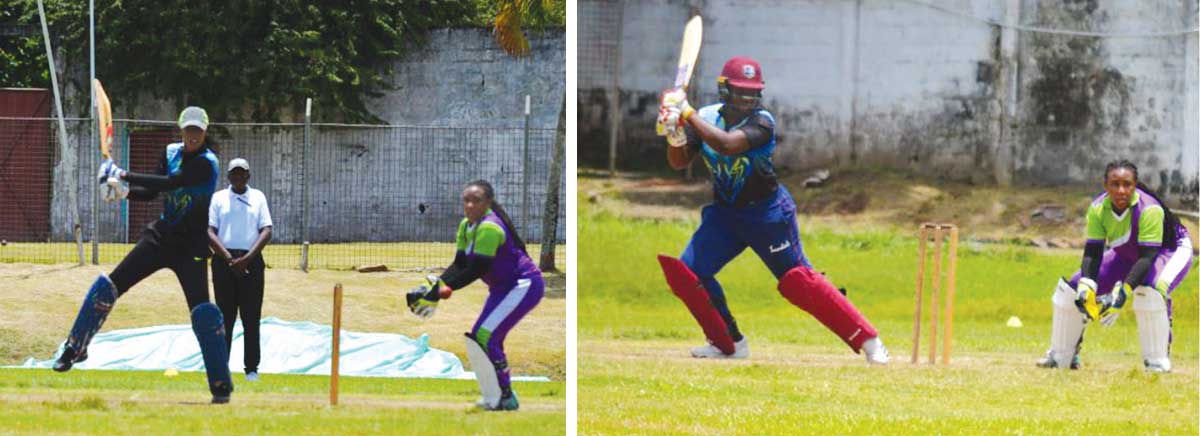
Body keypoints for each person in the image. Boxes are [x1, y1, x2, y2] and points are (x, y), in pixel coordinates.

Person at [654, 56, 888, 364]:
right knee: (688, 275)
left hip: (767, 215)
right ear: (724, 90)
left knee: (798, 281)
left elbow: (725, 145)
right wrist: (675, 132)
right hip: (725, 216)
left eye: (753, 92)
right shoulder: (708, 116)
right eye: (740, 91)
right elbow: (679, 161)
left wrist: (685, 112)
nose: (747, 99)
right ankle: (729, 344)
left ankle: (870, 341)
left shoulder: (762, 122)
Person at [54, 106, 234, 403]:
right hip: (161, 236)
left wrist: (122, 173)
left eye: (197, 131)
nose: (192, 136)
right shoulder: (171, 152)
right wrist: (124, 192)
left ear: (204, 132)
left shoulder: (207, 163)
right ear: (181, 129)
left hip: (192, 247)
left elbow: (171, 184)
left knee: (203, 312)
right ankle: (74, 348)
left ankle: (220, 385)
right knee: (109, 286)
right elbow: (153, 192)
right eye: (188, 130)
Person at [1037, 160, 1192, 372]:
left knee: (1149, 293)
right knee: (1070, 291)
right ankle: (1061, 356)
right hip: (1126, 253)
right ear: (1105, 186)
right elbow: (1093, 252)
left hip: (1168, 251)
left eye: (1127, 184)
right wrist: (1087, 284)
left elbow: (1147, 258)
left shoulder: (1150, 210)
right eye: (1115, 184)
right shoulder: (1098, 209)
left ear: (1135, 185)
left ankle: (1157, 363)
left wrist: (1123, 292)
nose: (1121, 190)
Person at [406, 180, 543, 411]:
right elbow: (460, 264)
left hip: (523, 284)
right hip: (501, 288)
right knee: (483, 337)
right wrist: (437, 285)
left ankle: (505, 396)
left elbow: (477, 268)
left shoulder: (489, 227)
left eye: (476, 200)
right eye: (466, 200)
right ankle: (499, 396)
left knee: (485, 335)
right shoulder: (466, 226)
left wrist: (441, 291)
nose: (470, 205)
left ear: (488, 203)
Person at [208, 157, 273, 382]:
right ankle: (221, 368)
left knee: (251, 317)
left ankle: (251, 369)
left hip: (251, 261)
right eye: (234, 173)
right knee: (225, 318)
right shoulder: (218, 198)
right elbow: (210, 231)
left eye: (242, 173)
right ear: (228, 177)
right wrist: (228, 259)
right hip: (223, 262)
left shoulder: (258, 197)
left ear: (248, 176)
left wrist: (246, 259)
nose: (238, 177)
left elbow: (266, 230)